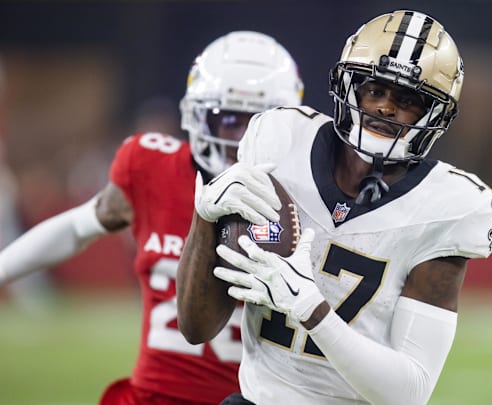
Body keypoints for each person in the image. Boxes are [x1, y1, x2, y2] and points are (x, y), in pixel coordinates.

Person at [177, 10, 492, 405]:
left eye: (408, 100)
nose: (385, 108)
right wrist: (204, 218)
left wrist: (311, 308)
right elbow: (196, 328)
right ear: (349, 87)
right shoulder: (281, 141)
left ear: (434, 114)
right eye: (375, 89)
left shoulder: (446, 207)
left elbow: (408, 392)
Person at [0, 31, 304, 404]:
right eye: (227, 119)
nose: (240, 138)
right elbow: (79, 226)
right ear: (197, 115)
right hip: (153, 396)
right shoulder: (154, 167)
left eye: (256, 121)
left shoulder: (305, 194)